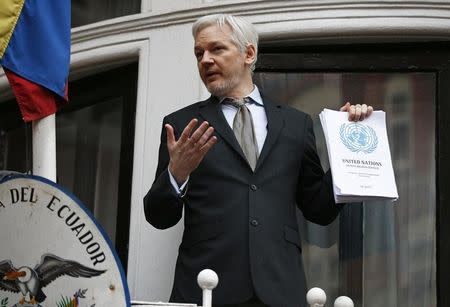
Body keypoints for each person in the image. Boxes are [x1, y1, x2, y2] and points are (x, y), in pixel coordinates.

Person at [144, 14, 373, 307]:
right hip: (208, 287)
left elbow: (320, 209)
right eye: (199, 53)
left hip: (280, 288)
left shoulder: (295, 124)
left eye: (217, 49)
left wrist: (348, 145)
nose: (205, 60)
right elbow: (158, 216)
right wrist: (176, 173)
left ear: (248, 53)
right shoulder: (183, 124)